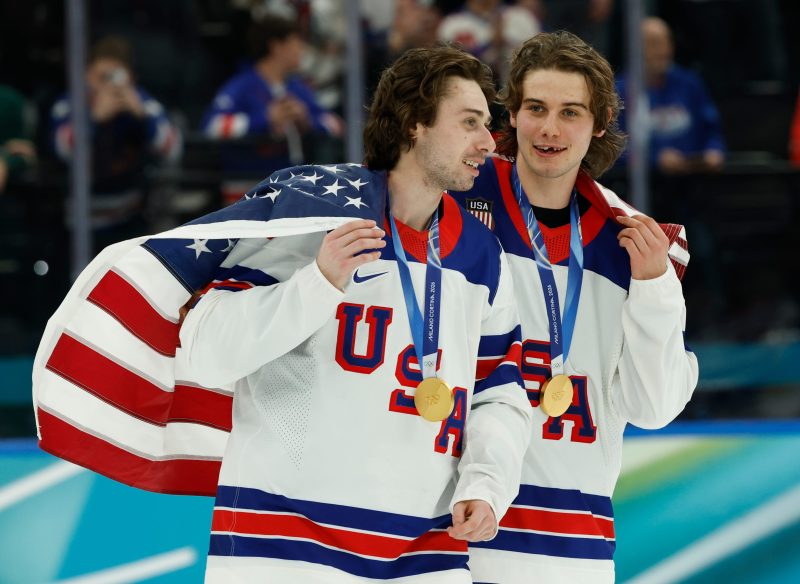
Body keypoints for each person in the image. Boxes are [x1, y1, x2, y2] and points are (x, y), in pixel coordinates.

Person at [33, 45, 533, 582]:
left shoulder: (482, 256)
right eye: (469, 122)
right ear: (415, 123)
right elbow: (207, 349)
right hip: (284, 548)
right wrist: (317, 282)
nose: (489, 142)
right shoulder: (313, 217)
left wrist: (487, 484)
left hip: (424, 555)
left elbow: (500, 392)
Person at [450, 31, 699, 583]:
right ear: (512, 114)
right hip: (451, 534)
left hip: (571, 551)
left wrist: (655, 289)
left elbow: (654, 407)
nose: (550, 129)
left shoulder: (631, 246)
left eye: (570, 112)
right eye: (536, 108)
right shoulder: (453, 205)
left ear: (600, 122)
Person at [49, 35, 182, 252]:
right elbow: (62, 148)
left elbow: (172, 149)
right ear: (87, 75)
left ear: (131, 77)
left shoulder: (141, 102)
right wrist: (93, 119)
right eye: (102, 77)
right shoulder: (71, 103)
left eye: (116, 76)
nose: (108, 85)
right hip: (78, 225)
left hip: (130, 221)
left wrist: (143, 118)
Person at [201, 15, 344, 176]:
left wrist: (307, 121)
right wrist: (266, 118)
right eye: (296, 44)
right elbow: (212, 126)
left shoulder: (297, 88)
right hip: (249, 183)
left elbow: (336, 125)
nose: (301, 50)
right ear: (276, 47)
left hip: (292, 182)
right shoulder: (242, 86)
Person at [615, 17, 725, 175]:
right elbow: (612, 147)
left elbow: (711, 129)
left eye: (667, 42)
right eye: (654, 43)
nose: (663, 50)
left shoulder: (690, 83)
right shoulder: (619, 91)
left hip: (693, 178)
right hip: (644, 182)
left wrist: (714, 150)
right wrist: (654, 158)